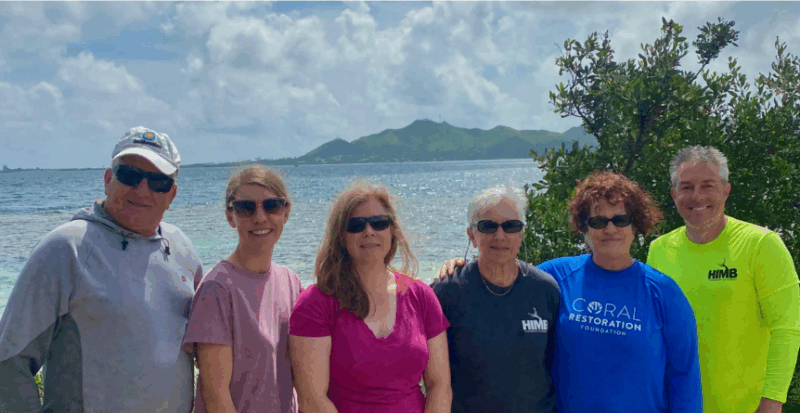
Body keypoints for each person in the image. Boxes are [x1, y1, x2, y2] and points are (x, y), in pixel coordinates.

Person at [436, 172, 702, 412]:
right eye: (598, 221)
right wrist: (459, 266)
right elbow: (505, 274)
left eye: (620, 219)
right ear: (584, 228)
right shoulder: (556, 276)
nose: (610, 229)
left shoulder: (664, 293)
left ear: (636, 225)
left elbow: (685, 379)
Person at [0, 127, 202, 412]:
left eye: (158, 182)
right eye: (129, 175)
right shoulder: (67, 247)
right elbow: (9, 362)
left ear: (172, 194)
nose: (142, 189)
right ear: (108, 180)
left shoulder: (182, 248)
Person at [647, 145, 800, 413]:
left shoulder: (761, 245)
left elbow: (787, 328)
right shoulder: (659, 249)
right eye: (686, 187)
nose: (697, 196)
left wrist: (773, 401)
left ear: (725, 190)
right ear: (673, 194)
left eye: (708, 185)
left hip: (746, 407)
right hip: (676, 405)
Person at [289, 181, 451, 413]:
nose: (369, 231)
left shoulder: (421, 296)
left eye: (379, 223)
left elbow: (439, 385)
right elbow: (312, 400)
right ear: (340, 236)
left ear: (392, 230)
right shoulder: (316, 303)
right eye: (355, 225)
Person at [430, 185, 560, 413]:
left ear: (522, 234)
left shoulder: (545, 289)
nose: (500, 236)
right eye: (488, 226)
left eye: (511, 226)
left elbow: (557, 363)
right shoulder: (447, 291)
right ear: (472, 235)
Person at [182, 166, 302, 413]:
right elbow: (216, 396)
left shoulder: (290, 282)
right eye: (246, 208)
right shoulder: (217, 289)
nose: (260, 217)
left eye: (272, 206)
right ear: (230, 216)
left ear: (286, 212)